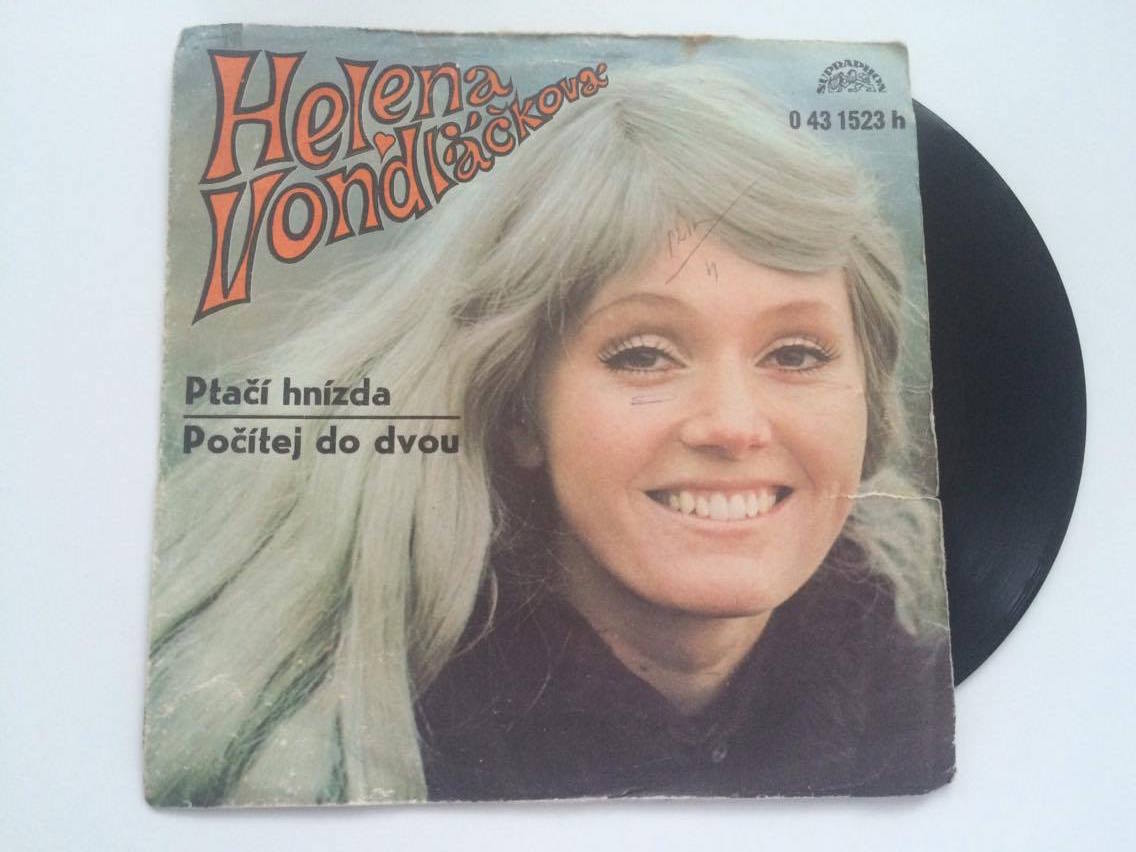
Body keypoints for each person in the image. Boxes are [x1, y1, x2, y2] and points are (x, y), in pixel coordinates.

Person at [144, 65, 953, 806]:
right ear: (519, 412)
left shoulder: (924, 720)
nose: (734, 426)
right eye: (644, 355)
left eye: (797, 354)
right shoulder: (332, 767)